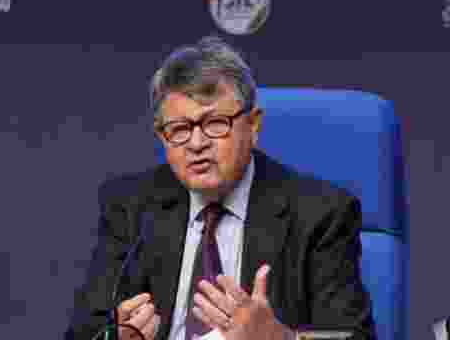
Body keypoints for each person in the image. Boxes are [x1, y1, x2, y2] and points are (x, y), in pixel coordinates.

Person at [65, 36, 375, 340]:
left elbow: (352, 337)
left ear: (253, 126)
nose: (197, 144)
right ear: (162, 137)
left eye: (215, 123)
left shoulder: (319, 214)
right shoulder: (132, 207)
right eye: (181, 129)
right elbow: (84, 332)